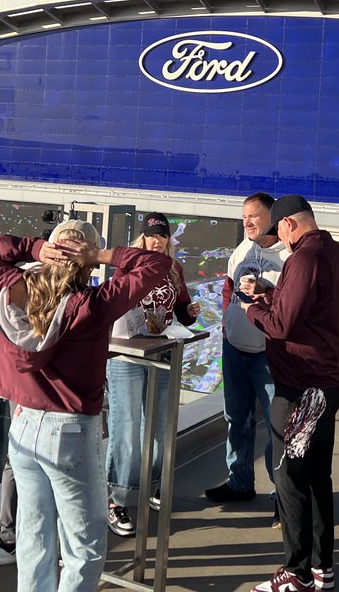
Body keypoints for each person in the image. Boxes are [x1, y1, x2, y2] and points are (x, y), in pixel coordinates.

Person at [0, 220, 173, 592]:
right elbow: (155, 265)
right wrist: (102, 254)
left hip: (25, 426)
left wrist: (33, 248)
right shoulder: (93, 305)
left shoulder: (9, 288)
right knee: (84, 545)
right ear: (89, 264)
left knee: (34, 533)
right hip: (71, 432)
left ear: (51, 251)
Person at [240, 195, 339, 592]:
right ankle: (323, 567)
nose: (280, 240)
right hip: (330, 379)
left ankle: (297, 572)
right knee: (317, 475)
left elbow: (283, 326)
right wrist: (273, 296)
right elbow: (313, 311)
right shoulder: (337, 254)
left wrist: (251, 309)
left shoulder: (302, 260)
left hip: (303, 386)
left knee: (289, 476)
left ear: (288, 224)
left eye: (279, 231)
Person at [105, 213, 200, 537]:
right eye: (151, 235)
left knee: (160, 426)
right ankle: (117, 498)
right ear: (142, 238)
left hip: (162, 353)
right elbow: (112, 302)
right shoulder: (129, 264)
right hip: (127, 356)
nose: (156, 240)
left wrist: (190, 313)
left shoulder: (174, 269)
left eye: (162, 235)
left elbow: (182, 311)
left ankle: (152, 485)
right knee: (127, 428)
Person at [204, 193, 288, 531]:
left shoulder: (289, 255)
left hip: (267, 354)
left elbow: (294, 304)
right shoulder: (242, 250)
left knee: (276, 427)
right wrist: (227, 322)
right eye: (244, 217)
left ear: (274, 217)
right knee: (235, 419)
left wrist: (267, 287)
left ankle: (283, 498)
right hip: (235, 348)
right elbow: (229, 287)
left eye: (254, 216)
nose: (248, 222)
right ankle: (239, 481)